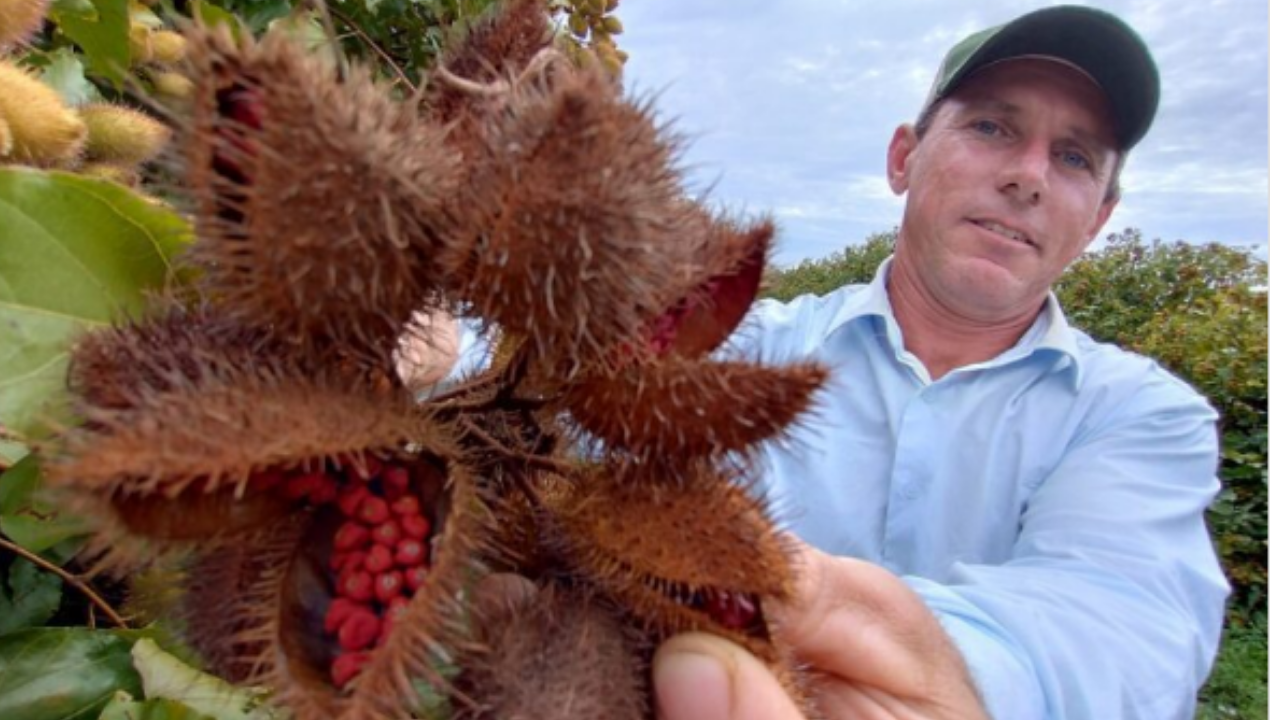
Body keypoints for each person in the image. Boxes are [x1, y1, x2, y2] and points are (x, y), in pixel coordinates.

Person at [652, 6, 1229, 720]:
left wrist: (918, 661)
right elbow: (558, 385)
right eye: (991, 127)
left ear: (1098, 220)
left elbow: (1119, 623)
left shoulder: (1142, 416)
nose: (1028, 177)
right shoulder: (751, 349)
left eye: (1075, 157)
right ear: (903, 159)